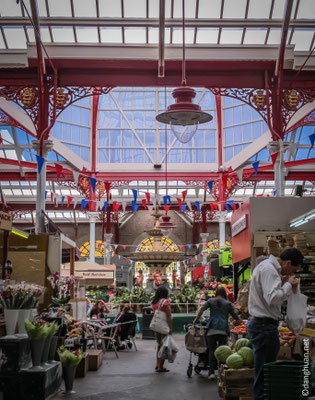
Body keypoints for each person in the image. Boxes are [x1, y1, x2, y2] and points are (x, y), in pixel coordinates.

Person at [247, 248, 302, 400]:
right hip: (263, 327)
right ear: (287, 263)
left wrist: (287, 287)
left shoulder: (266, 267)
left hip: (262, 325)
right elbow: (272, 298)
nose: (291, 273)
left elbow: (270, 299)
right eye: (293, 269)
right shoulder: (269, 270)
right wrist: (288, 285)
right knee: (265, 374)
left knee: (263, 372)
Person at [194, 286, 241, 380]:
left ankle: (211, 373)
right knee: (222, 352)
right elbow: (236, 316)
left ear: (216, 293)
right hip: (223, 329)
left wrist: (196, 319)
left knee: (211, 351)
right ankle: (221, 372)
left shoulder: (211, 301)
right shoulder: (228, 303)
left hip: (211, 329)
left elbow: (202, 309)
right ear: (224, 294)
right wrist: (238, 322)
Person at [151, 286, 173, 373]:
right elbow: (169, 316)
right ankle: (161, 366)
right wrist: (170, 328)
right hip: (164, 326)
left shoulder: (154, 303)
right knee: (164, 346)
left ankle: (157, 364)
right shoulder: (165, 302)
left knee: (159, 345)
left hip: (156, 326)